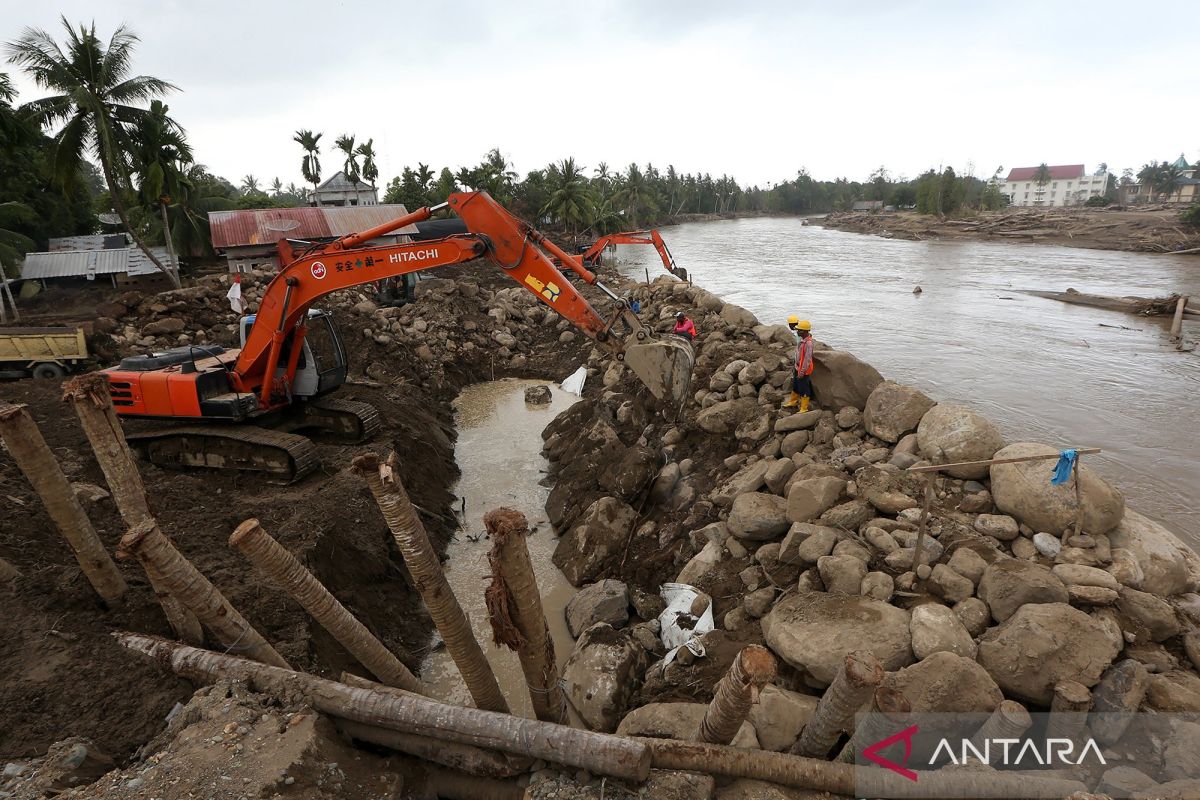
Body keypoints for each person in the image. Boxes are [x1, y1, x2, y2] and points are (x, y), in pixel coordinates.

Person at [782, 315, 814, 411]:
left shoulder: (808, 343)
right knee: (796, 385)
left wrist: (802, 372)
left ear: (804, 331)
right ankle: (793, 401)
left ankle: (804, 407)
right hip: (797, 367)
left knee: (804, 387)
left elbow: (807, 360)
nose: (797, 331)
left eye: (799, 330)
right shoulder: (803, 341)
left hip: (803, 370)